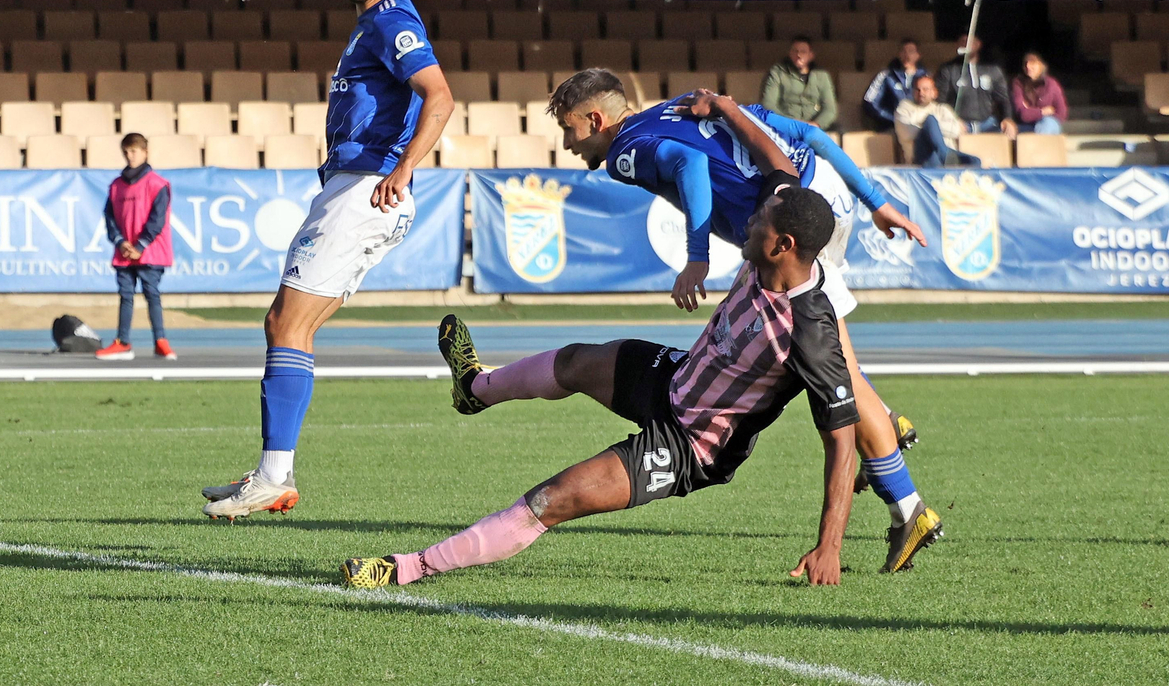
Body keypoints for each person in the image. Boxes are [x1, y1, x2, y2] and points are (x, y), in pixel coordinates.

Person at [341, 189, 942, 589]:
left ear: (784, 245)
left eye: (760, 222)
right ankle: (476, 388)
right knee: (577, 361)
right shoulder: (767, 254)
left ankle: (407, 569)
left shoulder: (811, 332)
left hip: (692, 446)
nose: (750, 222)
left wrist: (829, 544)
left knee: (553, 499)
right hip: (675, 377)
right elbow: (779, 155)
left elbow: (841, 443)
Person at [547, 70, 933, 518]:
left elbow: (688, 165)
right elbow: (811, 136)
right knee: (827, 350)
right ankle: (885, 428)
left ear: (595, 120)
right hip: (822, 194)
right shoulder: (692, 105)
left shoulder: (624, 151)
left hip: (790, 228)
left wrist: (697, 255)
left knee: (831, 362)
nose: (568, 144)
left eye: (567, 129)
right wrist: (877, 202)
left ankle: (907, 505)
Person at [200, 0, 455, 519]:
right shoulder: (371, 23)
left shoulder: (392, 20)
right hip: (356, 189)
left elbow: (440, 96)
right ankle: (273, 472)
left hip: (364, 189)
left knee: (285, 324)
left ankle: (273, 477)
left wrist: (402, 169)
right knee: (292, 327)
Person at [96, 133, 176, 362]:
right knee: (126, 295)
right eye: (127, 151)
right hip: (124, 252)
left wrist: (141, 245)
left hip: (150, 251)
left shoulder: (158, 184)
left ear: (145, 152)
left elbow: (157, 219)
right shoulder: (116, 186)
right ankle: (123, 342)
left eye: (134, 151)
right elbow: (109, 217)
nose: (130, 156)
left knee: (152, 294)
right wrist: (120, 242)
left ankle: (160, 341)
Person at [937, 34, 1016, 136]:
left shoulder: (992, 69)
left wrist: (1007, 119)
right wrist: (952, 120)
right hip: (959, 125)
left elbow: (1003, 100)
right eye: (963, 41)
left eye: (970, 40)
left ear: (978, 44)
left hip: (988, 123)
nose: (966, 44)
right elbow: (941, 101)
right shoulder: (948, 69)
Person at [894, 75, 980, 168]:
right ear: (913, 92)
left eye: (925, 89)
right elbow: (907, 132)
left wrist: (923, 124)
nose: (921, 93)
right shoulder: (904, 108)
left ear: (934, 93)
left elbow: (956, 130)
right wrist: (929, 124)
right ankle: (944, 155)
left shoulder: (943, 109)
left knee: (975, 160)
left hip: (949, 155)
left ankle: (945, 154)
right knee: (930, 120)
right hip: (921, 160)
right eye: (917, 90)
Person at [760, 36, 838, 131]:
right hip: (786, 125)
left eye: (803, 52)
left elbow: (830, 109)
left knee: (839, 130)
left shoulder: (822, 76)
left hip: (815, 127)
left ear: (811, 55)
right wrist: (791, 123)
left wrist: (816, 124)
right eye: (795, 51)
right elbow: (768, 104)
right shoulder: (777, 73)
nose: (799, 55)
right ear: (790, 53)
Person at [862, 38, 925, 129]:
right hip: (891, 127)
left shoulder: (926, 77)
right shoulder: (886, 75)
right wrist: (893, 118)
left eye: (911, 51)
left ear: (918, 55)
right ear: (899, 54)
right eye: (903, 51)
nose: (906, 55)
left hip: (918, 127)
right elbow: (870, 102)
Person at [1010, 52, 1068, 135]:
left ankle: (1039, 145)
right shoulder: (1018, 84)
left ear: (1041, 65)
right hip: (1027, 126)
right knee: (1006, 130)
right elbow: (1023, 115)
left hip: (1048, 125)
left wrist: (1031, 111)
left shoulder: (1051, 84)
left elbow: (1062, 113)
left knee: (1046, 123)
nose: (1028, 67)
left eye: (1032, 63)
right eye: (1026, 64)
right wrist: (1042, 112)